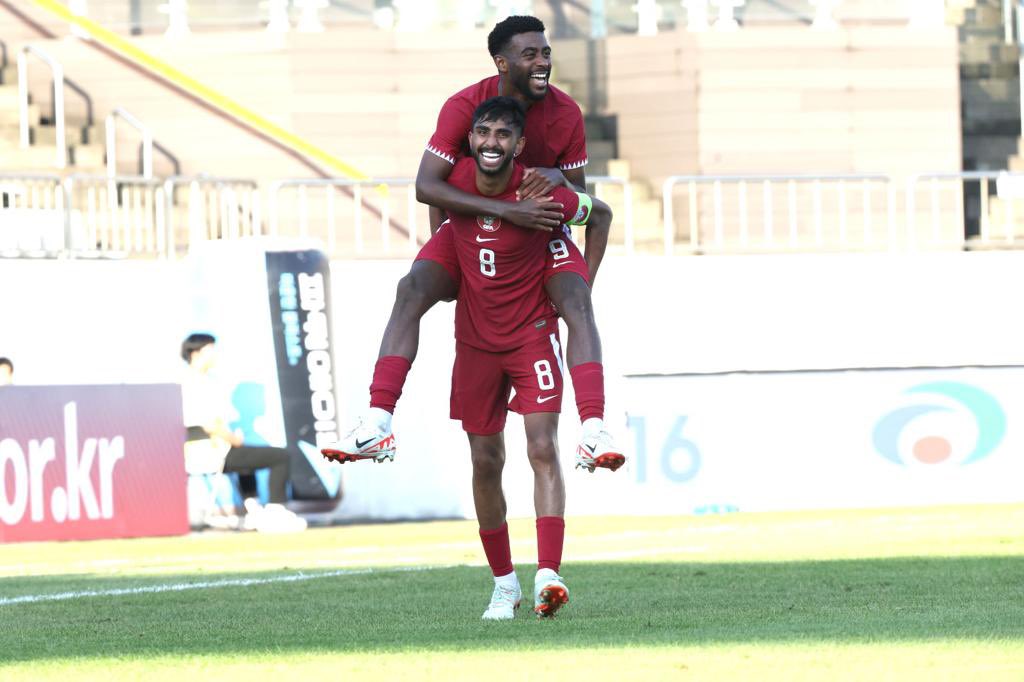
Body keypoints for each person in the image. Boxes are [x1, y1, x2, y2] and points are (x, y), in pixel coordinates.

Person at [328, 98, 617, 618]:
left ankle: (549, 572)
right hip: (477, 341)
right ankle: (504, 585)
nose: (491, 143)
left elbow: (602, 215)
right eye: (483, 133)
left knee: (542, 447)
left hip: (531, 336)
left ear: (519, 145)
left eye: (503, 136)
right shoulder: (454, 181)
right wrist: (466, 231)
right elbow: (433, 201)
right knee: (486, 461)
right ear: (472, 139)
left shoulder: (541, 189)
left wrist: (583, 279)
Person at [330, 15, 623, 473]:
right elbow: (428, 186)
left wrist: (559, 179)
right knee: (411, 289)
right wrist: (468, 240)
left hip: (540, 236)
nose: (543, 61)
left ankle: (594, 430)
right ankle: (377, 421)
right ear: (501, 63)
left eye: (546, 52)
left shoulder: (566, 113)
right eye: (531, 54)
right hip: (472, 227)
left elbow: (583, 200)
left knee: (578, 303)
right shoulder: (464, 105)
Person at [180, 333, 306, 532]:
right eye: (210, 350)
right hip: (207, 452)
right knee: (280, 456)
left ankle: (254, 511)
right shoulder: (193, 383)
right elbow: (209, 425)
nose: (215, 355)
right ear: (195, 353)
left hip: (215, 449)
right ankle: (275, 512)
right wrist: (233, 440)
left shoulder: (207, 380)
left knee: (247, 458)